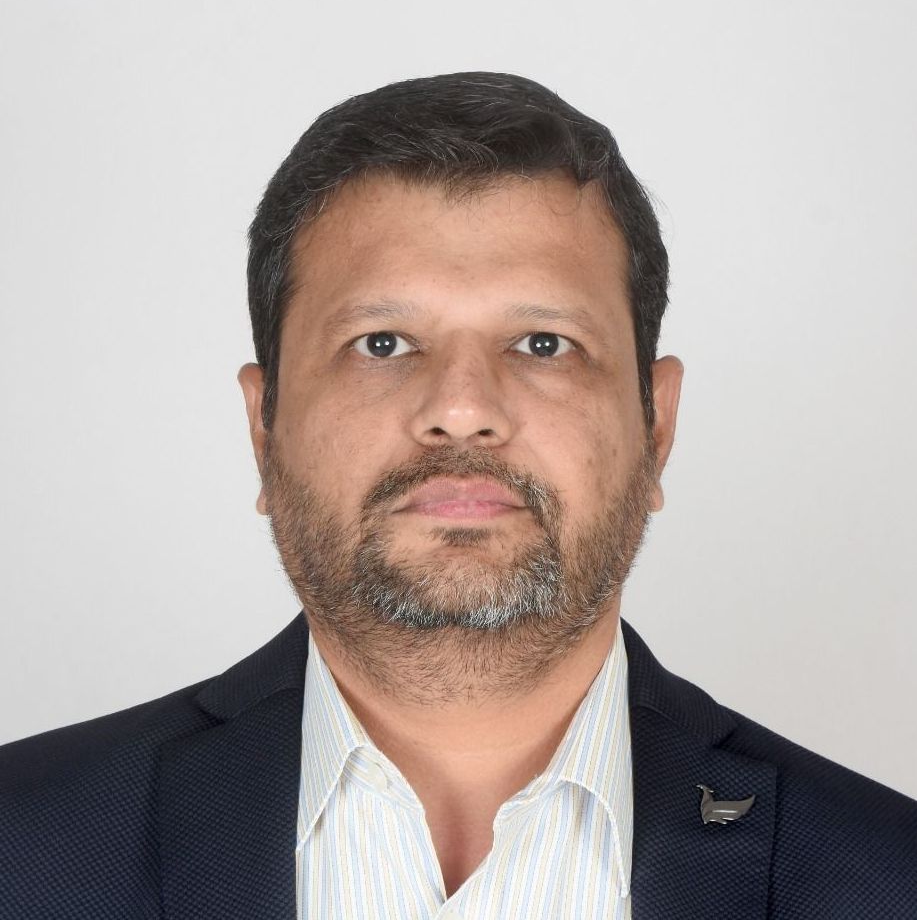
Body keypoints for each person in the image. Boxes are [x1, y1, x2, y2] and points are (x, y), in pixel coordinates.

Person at [1, 72, 914, 920]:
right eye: (383, 343)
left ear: (657, 424)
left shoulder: (888, 876)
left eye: (544, 344)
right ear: (263, 428)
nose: (463, 409)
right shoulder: (22, 846)